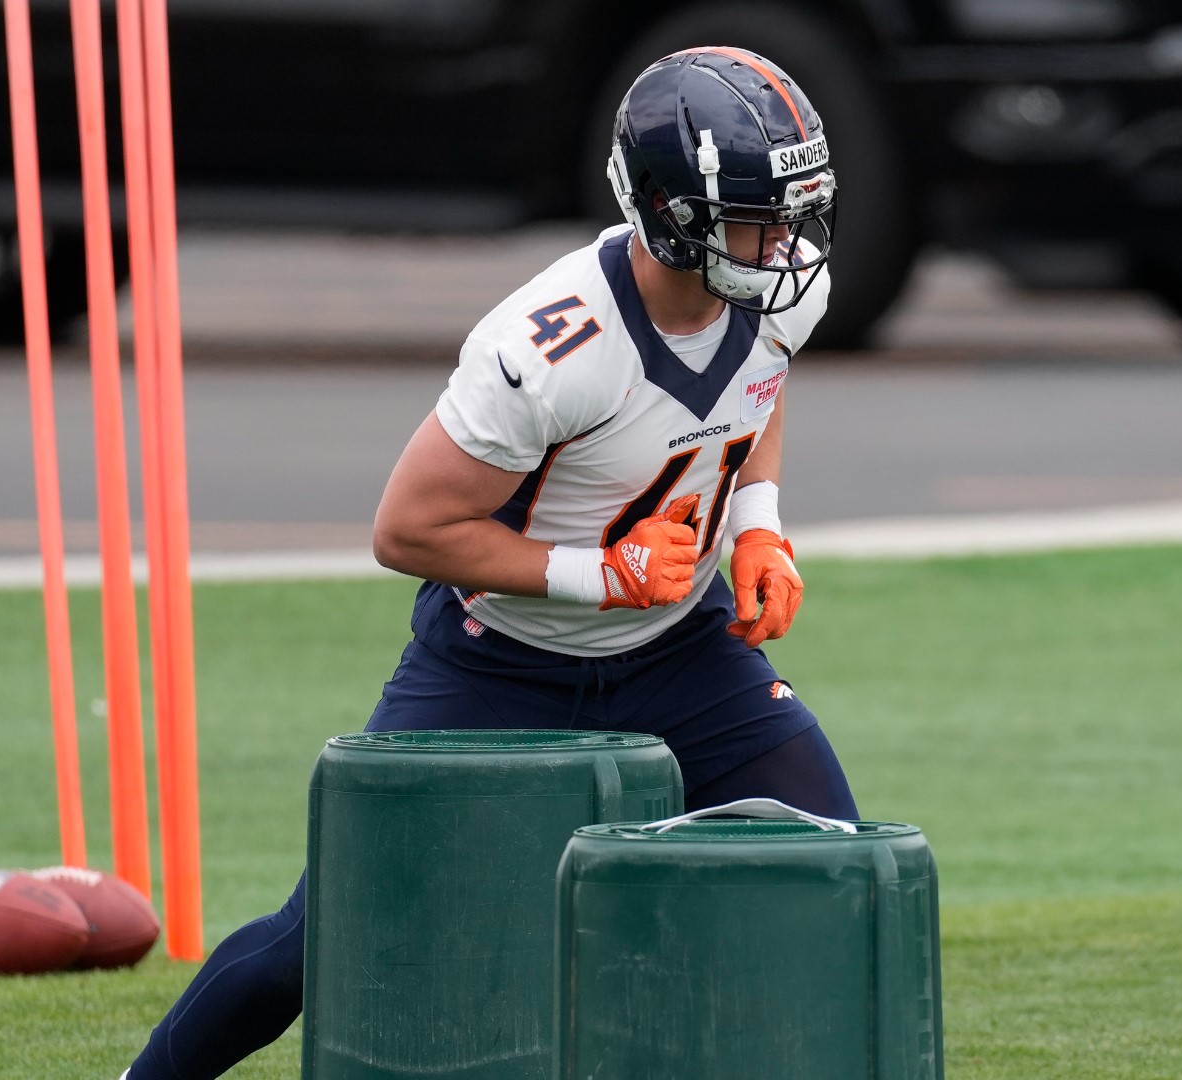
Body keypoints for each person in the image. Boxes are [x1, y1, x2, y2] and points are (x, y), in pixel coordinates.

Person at [123, 46, 848, 1079]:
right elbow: (408, 531)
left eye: (793, 215)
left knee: (831, 871)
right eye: (756, 221)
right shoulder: (549, 348)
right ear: (670, 215)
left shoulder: (779, 296)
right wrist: (598, 574)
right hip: (499, 662)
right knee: (324, 937)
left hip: (678, 649)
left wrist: (759, 525)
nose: (786, 248)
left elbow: (753, 399)